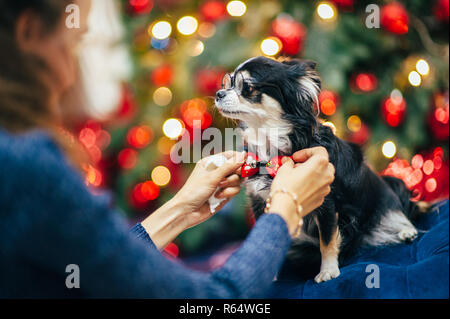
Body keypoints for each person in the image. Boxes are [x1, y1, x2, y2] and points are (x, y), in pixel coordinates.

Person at [0, 0, 335, 298]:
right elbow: (214, 299)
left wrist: (179, 211)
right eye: (76, 43)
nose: (75, 70)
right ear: (29, 33)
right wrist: (286, 207)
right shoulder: (30, 167)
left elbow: (92, 264)